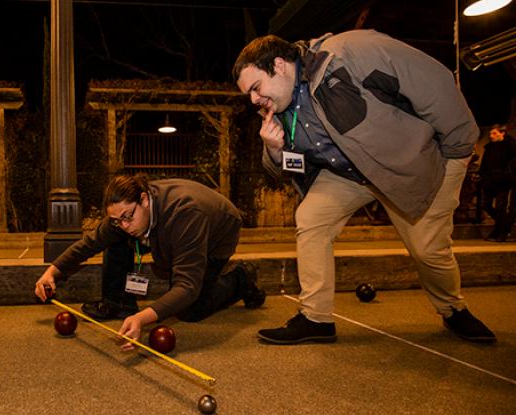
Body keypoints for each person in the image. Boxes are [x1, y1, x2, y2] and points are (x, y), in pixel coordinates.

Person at [232, 30, 496, 345]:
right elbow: (285, 168)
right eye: (249, 95)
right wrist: (274, 151)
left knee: (427, 249)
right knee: (311, 218)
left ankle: (454, 309)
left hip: (404, 166)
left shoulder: (349, 53)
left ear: (279, 64)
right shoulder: (279, 105)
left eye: (256, 88)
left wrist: (459, 147)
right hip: (348, 173)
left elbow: (432, 81)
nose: (254, 100)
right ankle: (315, 319)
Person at [35, 174, 265, 345]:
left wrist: (143, 319)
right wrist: (52, 272)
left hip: (217, 235)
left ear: (144, 200)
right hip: (167, 231)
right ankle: (118, 303)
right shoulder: (124, 215)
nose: (124, 224)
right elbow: (90, 243)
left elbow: (187, 286)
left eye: (128, 217)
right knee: (115, 238)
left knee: (190, 309)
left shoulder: (185, 215)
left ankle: (241, 278)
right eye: (117, 220)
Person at [478, 124, 516, 242]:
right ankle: (503, 226)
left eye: (494, 133)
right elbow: (485, 163)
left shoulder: (510, 146)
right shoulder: (489, 147)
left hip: (503, 181)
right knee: (486, 205)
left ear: (502, 133)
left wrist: (507, 174)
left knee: (501, 206)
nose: (491, 136)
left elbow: (512, 163)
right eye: (490, 134)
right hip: (490, 180)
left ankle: (500, 232)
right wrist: (481, 175)